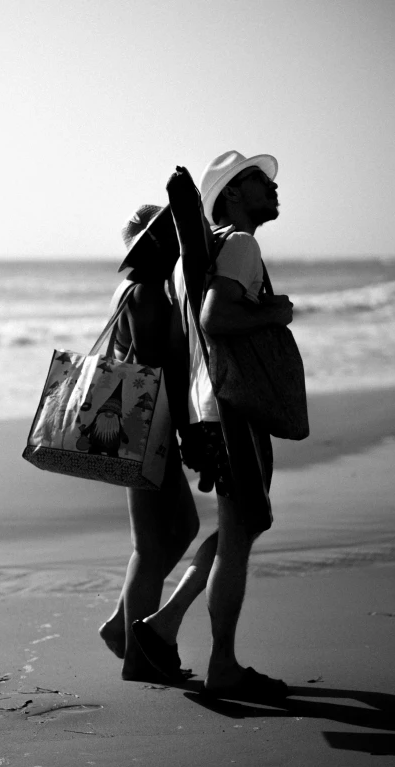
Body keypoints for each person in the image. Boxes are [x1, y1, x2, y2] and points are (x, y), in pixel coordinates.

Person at [132, 150, 294, 700]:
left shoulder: (189, 260)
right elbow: (216, 319)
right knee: (242, 532)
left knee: (241, 527)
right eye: (256, 181)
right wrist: (274, 313)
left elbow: (190, 337)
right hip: (233, 410)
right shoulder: (242, 246)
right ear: (228, 196)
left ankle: (161, 627)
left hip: (205, 411)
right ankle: (222, 664)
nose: (272, 188)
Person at [98, 204, 200, 683]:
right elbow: (154, 367)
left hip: (138, 426)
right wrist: (188, 427)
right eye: (171, 235)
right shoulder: (147, 292)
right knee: (153, 543)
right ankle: (136, 654)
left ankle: (123, 626)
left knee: (177, 531)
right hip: (145, 427)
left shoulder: (137, 287)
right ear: (156, 244)